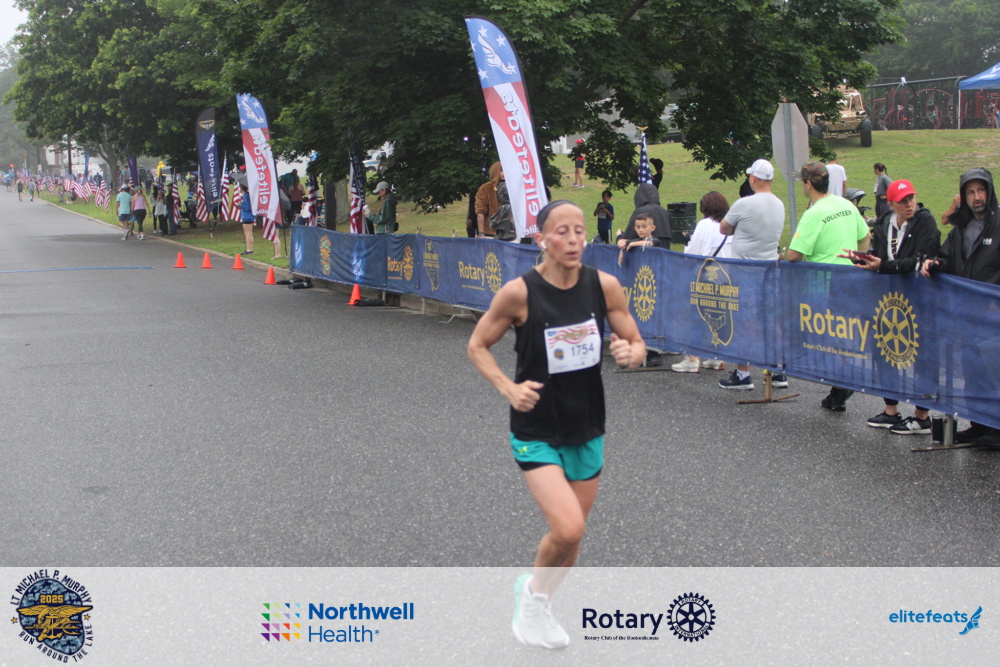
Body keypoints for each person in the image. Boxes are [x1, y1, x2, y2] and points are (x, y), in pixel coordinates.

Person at [467, 200, 645, 650]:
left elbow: (635, 340)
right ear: (542, 239)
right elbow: (477, 345)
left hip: (586, 424)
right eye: (561, 232)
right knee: (567, 529)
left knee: (572, 539)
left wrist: (632, 353)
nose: (572, 239)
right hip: (536, 428)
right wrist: (508, 388)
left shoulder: (604, 286)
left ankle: (539, 602)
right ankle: (532, 600)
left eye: (579, 231)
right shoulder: (519, 294)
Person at [839, 179, 939, 432]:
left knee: (922, 355)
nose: (909, 204)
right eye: (903, 201)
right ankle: (891, 410)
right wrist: (861, 259)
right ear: (891, 203)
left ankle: (922, 415)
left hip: (921, 299)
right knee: (884, 350)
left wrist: (883, 266)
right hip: (889, 299)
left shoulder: (925, 221)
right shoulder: (885, 223)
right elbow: (881, 255)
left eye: (911, 198)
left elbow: (919, 259)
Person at [922, 167, 1000, 446]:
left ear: (989, 192)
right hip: (966, 314)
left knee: (994, 371)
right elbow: (948, 257)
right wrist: (936, 263)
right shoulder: (961, 228)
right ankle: (979, 424)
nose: (976, 197)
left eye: (981, 191)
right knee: (971, 370)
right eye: (970, 192)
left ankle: (997, 428)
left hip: (993, 316)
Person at [788, 161, 871, 411]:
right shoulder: (845, 204)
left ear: (808, 184)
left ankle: (841, 381)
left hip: (823, 285)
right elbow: (866, 235)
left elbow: (794, 254)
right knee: (842, 332)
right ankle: (839, 388)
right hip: (849, 280)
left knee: (827, 335)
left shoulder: (814, 213)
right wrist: (857, 260)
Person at [718, 159, 786, 390]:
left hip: (745, 270)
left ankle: (743, 373)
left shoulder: (744, 203)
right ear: (771, 179)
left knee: (744, 321)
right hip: (769, 269)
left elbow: (724, 228)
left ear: (753, 178)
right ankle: (778, 370)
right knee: (770, 320)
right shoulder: (779, 204)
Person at [673, 191, 731, 373]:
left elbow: (693, 252)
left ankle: (692, 358)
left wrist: (687, 243)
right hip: (726, 278)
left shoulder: (705, 225)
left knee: (695, 316)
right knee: (719, 316)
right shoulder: (730, 225)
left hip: (705, 278)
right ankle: (717, 356)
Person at [475, 162, 503, 237]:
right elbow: (480, 212)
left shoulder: (512, 187)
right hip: (490, 232)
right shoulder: (485, 188)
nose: (504, 173)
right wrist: (481, 233)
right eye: (501, 170)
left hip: (511, 232)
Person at [239, 183, 255, 255]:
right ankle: (250, 249)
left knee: (247, 233)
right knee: (250, 233)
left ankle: (249, 249)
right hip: (249, 216)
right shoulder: (247, 195)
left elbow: (248, 207)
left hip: (247, 216)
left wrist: (241, 205)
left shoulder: (246, 196)